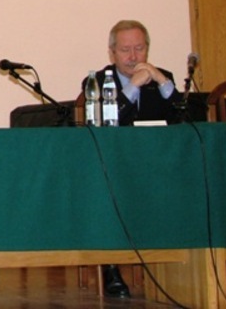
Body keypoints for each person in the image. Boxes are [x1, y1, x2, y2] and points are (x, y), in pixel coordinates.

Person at [81, 19, 183, 298]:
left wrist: (162, 82)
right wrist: (132, 87)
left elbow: (184, 116)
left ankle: (175, 261)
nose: (133, 56)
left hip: (156, 162)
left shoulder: (161, 77)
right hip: (116, 163)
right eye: (125, 50)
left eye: (139, 48)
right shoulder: (97, 81)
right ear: (112, 53)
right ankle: (112, 267)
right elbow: (105, 121)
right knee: (107, 191)